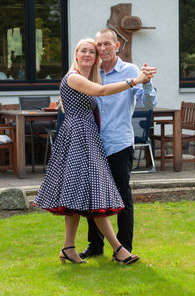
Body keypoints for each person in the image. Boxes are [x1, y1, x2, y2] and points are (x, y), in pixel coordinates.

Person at [34, 38, 156, 265]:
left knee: (76, 194)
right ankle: (119, 249)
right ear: (76, 55)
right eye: (84, 51)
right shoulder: (74, 77)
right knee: (94, 194)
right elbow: (102, 91)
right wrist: (135, 81)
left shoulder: (84, 77)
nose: (88, 54)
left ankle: (68, 248)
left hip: (84, 137)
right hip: (79, 138)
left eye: (92, 51)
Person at [79, 29, 157, 259]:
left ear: (117, 45)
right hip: (93, 144)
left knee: (122, 196)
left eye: (106, 44)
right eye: (98, 45)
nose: (102, 49)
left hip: (118, 143)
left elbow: (148, 102)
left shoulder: (131, 71)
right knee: (94, 196)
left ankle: (124, 248)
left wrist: (146, 83)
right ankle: (95, 245)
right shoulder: (92, 72)